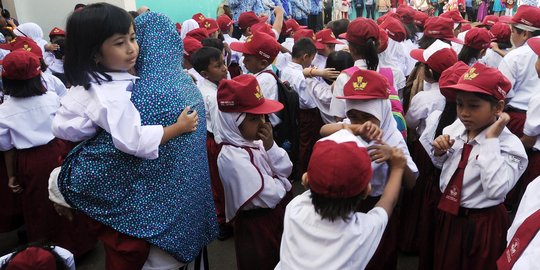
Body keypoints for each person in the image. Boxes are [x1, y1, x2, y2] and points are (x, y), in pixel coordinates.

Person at [50, 5, 217, 268]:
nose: (131, 48)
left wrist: (57, 183)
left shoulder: (140, 97)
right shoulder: (187, 86)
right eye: (121, 41)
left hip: (151, 235)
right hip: (187, 219)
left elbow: (85, 175)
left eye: (134, 38)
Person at [429, 63, 528, 270]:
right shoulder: (455, 129)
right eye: (459, 104)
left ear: (498, 108)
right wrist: (439, 152)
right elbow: (444, 168)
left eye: (474, 106)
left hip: (481, 224)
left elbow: (496, 190)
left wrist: (490, 140)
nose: (464, 113)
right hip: (449, 215)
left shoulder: (510, 147)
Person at [0, 49, 96, 257]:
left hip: (30, 161)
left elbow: (7, 148)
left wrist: (11, 176)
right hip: (59, 150)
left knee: (40, 206)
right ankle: (81, 244)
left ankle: (49, 251)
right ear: (37, 76)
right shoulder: (51, 98)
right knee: (68, 195)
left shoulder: (4, 111)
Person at [323, 69, 419, 270]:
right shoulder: (349, 127)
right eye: (353, 116)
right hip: (346, 206)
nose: (361, 124)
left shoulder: (392, 137)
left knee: (379, 258)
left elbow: (411, 182)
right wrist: (351, 128)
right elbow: (324, 130)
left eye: (368, 117)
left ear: (382, 113)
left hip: (379, 206)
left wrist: (393, 159)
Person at [276, 121, 406, 269]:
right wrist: (398, 167)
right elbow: (388, 202)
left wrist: (351, 129)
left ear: (305, 180)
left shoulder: (295, 209)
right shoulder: (363, 231)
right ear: (366, 191)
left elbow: (323, 134)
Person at [215, 74, 292, 270]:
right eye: (254, 118)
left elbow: (286, 168)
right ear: (234, 121)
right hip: (256, 226)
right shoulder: (231, 156)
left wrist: (271, 145)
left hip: (273, 218)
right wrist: (282, 181)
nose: (263, 122)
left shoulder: (255, 141)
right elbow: (269, 196)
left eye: (263, 116)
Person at [191, 46, 231, 241]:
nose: (224, 68)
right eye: (218, 66)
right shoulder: (212, 96)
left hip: (209, 140)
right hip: (216, 142)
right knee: (219, 182)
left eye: (223, 63)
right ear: (205, 73)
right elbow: (218, 127)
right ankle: (222, 221)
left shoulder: (207, 86)